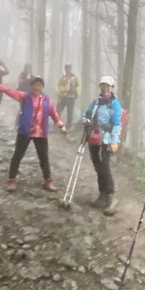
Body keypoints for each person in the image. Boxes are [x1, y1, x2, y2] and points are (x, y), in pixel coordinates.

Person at [0, 75, 67, 193]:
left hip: (41, 133)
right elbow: (9, 91)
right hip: (25, 131)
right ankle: (12, 180)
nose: (37, 88)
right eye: (35, 85)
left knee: (44, 157)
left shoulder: (47, 100)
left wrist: (62, 127)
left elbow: (54, 114)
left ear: (42, 87)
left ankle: (48, 181)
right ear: (31, 86)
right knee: (18, 156)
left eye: (39, 86)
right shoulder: (25, 97)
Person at [82, 75, 122, 216]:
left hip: (106, 139)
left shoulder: (114, 104)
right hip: (93, 138)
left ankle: (111, 196)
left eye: (107, 85)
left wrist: (114, 141)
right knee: (97, 165)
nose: (104, 88)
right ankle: (102, 194)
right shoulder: (95, 103)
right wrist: (85, 119)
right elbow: (86, 113)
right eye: (102, 85)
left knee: (104, 165)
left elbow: (117, 123)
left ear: (111, 88)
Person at [56, 63, 80, 129]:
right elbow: (58, 85)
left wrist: (76, 89)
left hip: (71, 97)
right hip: (63, 96)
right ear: (65, 68)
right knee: (59, 109)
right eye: (66, 68)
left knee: (70, 112)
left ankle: (68, 126)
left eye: (69, 68)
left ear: (70, 68)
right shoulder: (62, 77)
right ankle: (57, 123)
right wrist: (58, 92)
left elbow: (79, 85)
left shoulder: (74, 77)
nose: (68, 69)